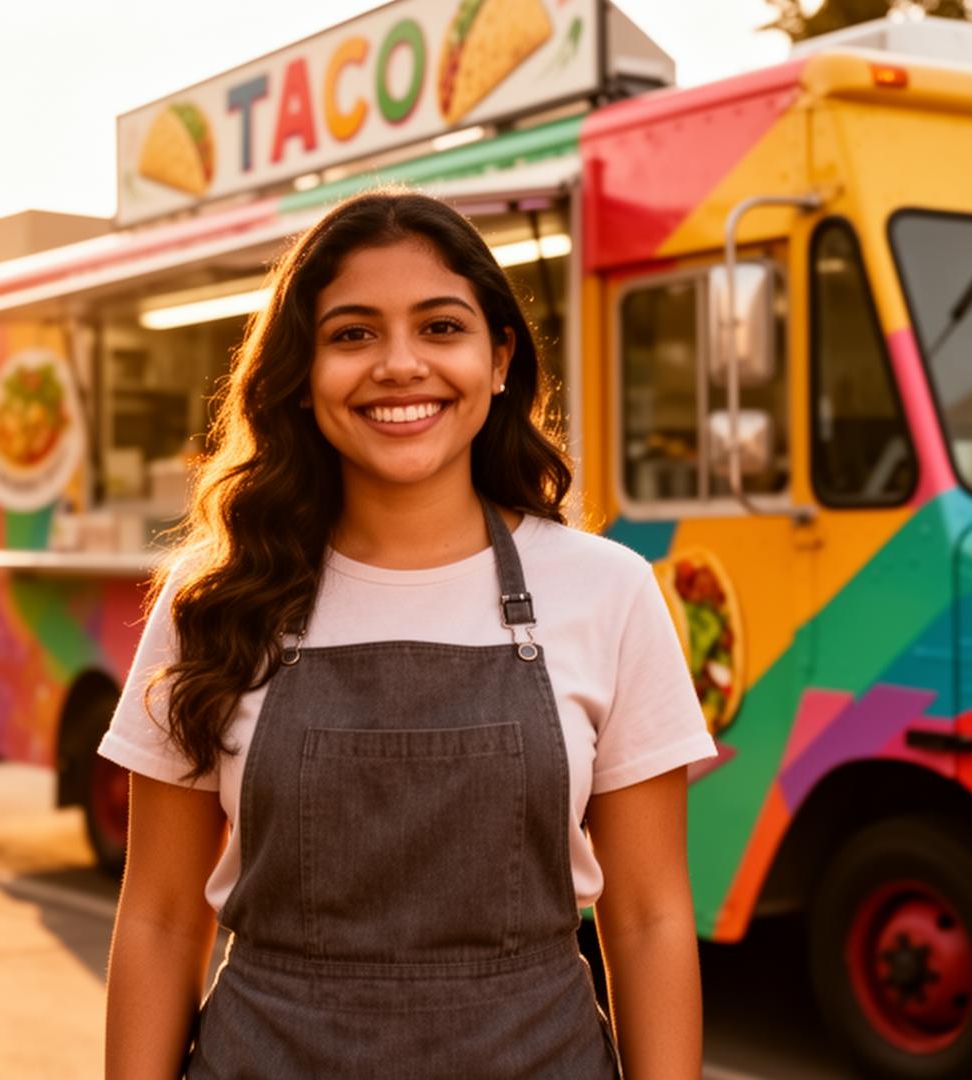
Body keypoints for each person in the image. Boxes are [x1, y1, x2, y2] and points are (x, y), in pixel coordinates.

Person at [99, 190, 715, 1079]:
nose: (399, 365)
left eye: (440, 328)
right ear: (302, 372)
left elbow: (651, 916)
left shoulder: (605, 589)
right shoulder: (215, 602)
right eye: (352, 334)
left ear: (498, 356)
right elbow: (158, 916)